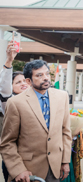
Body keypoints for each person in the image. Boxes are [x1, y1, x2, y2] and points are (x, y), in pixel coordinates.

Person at [0, 59, 72, 182]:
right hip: (28, 171)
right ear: (29, 81)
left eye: (47, 74)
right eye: (39, 75)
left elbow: (65, 131)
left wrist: (65, 161)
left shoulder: (62, 96)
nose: (45, 78)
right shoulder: (16, 102)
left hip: (55, 169)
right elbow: (7, 142)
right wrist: (18, 170)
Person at [0, 41, 29, 182]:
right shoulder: (8, 101)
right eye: (18, 82)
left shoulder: (35, 101)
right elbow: (4, 87)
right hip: (13, 159)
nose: (23, 84)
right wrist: (9, 61)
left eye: (25, 81)